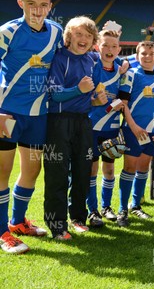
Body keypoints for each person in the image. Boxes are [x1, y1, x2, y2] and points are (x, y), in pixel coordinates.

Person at [0, 0, 63, 254]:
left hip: (38, 114)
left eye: (43, 5)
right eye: (31, 4)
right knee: (2, 172)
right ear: (20, 4)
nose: (37, 10)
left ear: (50, 6)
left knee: (32, 170)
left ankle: (17, 222)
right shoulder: (8, 31)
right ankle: (2, 232)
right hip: (7, 111)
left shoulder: (57, 33)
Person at [44, 16, 99, 239]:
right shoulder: (59, 58)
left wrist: (96, 99)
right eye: (78, 34)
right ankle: (57, 225)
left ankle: (78, 217)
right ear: (68, 37)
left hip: (83, 121)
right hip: (59, 121)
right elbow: (54, 93)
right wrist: (79, 89)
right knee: (57, 173)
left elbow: (90, 92)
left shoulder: (91, 60)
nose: (83, 39)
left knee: (82, 171)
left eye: (88, 35)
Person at [116, 41, 154, 227]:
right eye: (143, 53)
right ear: (137, 55)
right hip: (132, 129)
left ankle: (135, 206)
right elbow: (122, 104)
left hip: (151, 131)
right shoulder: (131, 75)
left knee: (143, 167)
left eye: (151, 53)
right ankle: (122, 209)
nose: (147, 57)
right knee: (129, 167)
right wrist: (132, 126)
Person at [86, 29, 127, 227]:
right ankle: (92, 210)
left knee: (109, 170)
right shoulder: (92, 66)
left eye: (113, 46)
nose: (109, 50)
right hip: (92, 127)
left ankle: (106, 207)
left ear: (119, 49)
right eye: (105, 45)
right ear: (97, 47)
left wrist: (112, 105)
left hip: (111, 128)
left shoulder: (122, 70)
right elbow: (85, 97)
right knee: (92, 171)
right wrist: (100, 102)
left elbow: (123, 98)